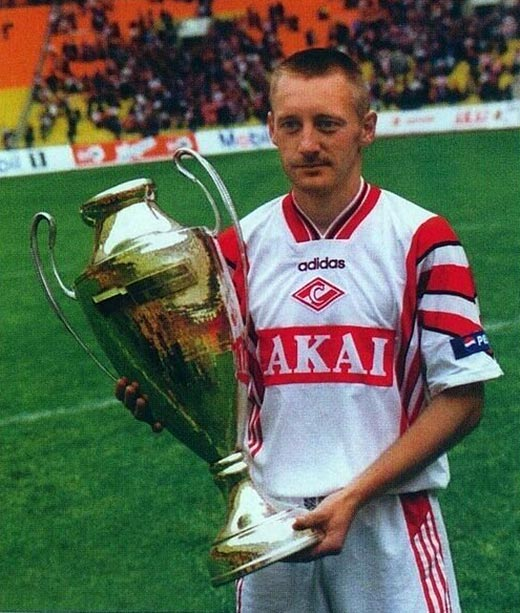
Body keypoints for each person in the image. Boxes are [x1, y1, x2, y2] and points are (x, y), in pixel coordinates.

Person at [116, 48, 503, 612]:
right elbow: (220, 391)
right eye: (291, 125)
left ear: (366, 128)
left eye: (328, 124)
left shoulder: (422, 239)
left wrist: (355, 495)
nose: (308, 144)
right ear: (271, 129)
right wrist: (167, 396)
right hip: (269, 527)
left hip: (387, 521)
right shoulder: (233, 251)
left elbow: (463, 400)